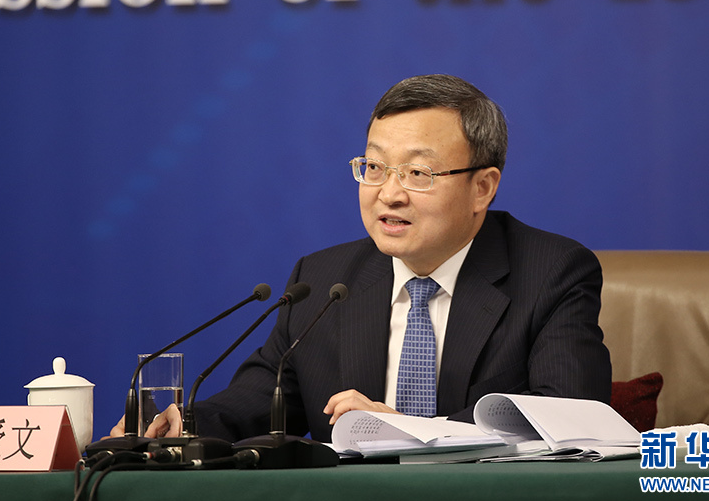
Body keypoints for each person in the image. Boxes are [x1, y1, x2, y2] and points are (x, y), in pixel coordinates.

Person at [110, 74, 611, 443]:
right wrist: (185, 425)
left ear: (483, 187)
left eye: (418, 173)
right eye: (374, 167)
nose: (388, 194)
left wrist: (411, 430)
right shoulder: (322, 281)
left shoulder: (551, 272)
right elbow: (265, 396)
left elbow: (569, 412)